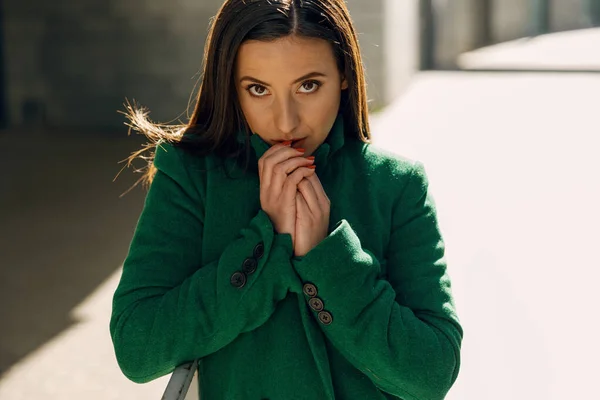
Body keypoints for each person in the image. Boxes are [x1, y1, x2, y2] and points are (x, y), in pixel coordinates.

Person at [110, 0, 463, 399]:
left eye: (308, 85)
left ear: (344, 75)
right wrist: (265, 243)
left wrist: (328, 257)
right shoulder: (191, 176)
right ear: (231, 85)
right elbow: (137, 350)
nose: (285, 121)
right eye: (258, 89)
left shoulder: (395, 185)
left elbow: (433, 373)